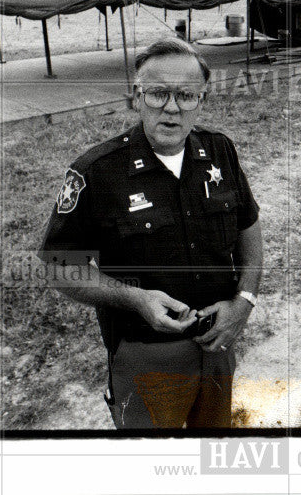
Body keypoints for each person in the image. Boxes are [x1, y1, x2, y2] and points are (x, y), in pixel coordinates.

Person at [39, 37, 263, 429]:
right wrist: (135, 298)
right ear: (135, 97)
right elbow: (59, 267)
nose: (172, 108)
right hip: (145, 357)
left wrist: (244, 300)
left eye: (187, 95)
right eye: (157, 94)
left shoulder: (220, 151)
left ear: (201, 99)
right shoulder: (97, 171)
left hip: (218, 343)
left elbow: (249, 227)